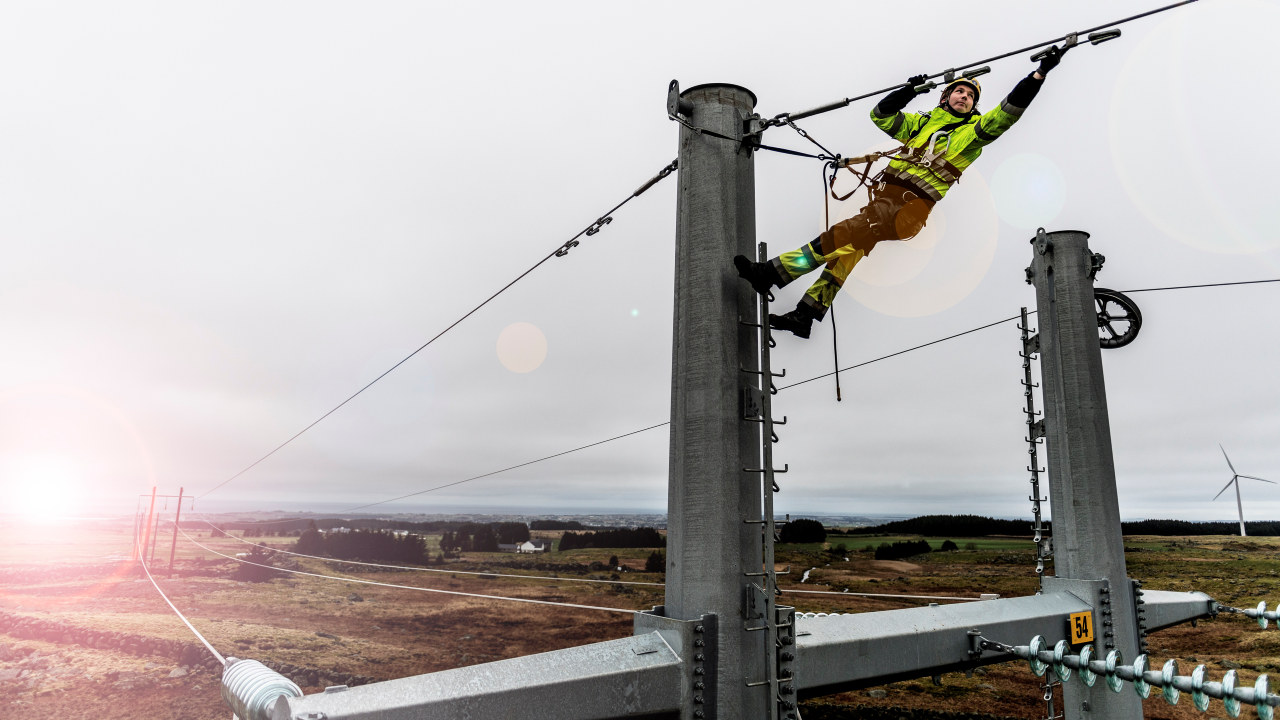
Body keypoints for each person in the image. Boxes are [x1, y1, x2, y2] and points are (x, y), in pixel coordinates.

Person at [735, 46, 1069, 338]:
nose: (965, 97)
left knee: (839, 235)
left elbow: (1007, 112)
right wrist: (909, 91)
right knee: (845, 254)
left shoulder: (974, 133)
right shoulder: (922, 124)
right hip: (886, 203)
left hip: (906, 211)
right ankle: (805, 315)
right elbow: (880, 115)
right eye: (959, 92)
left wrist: (1039, 74)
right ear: (945, 97)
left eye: (970, 96)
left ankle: (772, 273)